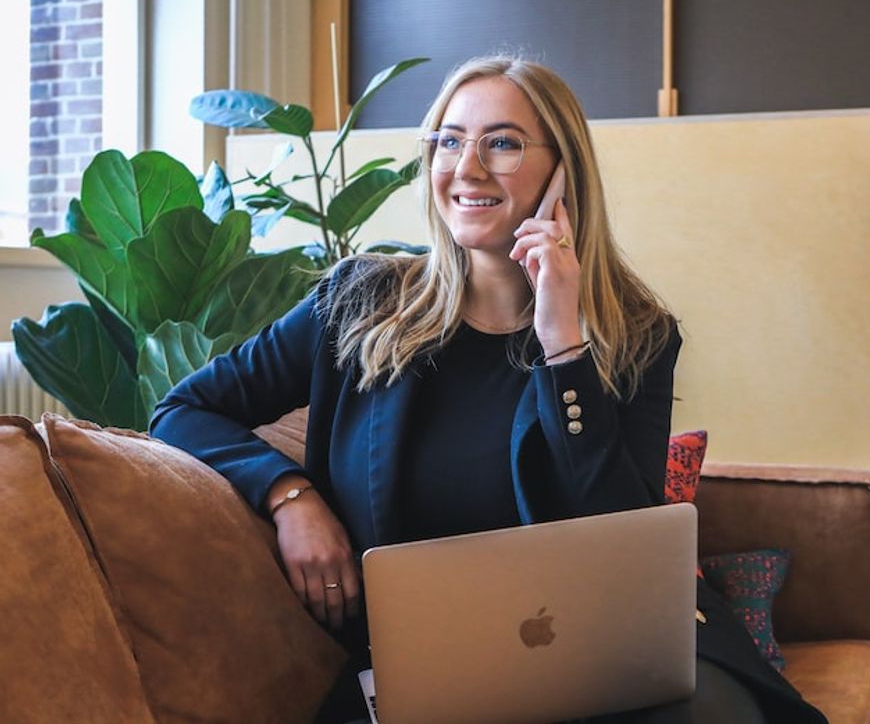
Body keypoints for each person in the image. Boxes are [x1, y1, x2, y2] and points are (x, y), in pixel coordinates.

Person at [151, 56, 826, 723]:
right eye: (449, 141)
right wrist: (290, 497)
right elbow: (183, 408)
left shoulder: (636, 335)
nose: (467, 167)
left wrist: (564, 346)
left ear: (563, 172)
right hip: (432, 669)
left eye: (502, 143)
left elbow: (625, 543)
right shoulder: (357, 304)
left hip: (613, 658)